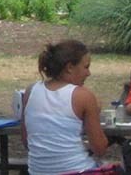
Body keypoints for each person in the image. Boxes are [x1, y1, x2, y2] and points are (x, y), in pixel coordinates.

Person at [21, 40, 109, 175]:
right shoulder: (83, 96)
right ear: (69, 67)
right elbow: (100, 148)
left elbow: (27, 141)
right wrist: (94, 113)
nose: (88, 73)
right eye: (86, 67)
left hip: (37, 171)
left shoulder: (30, 91)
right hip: (77, 170)